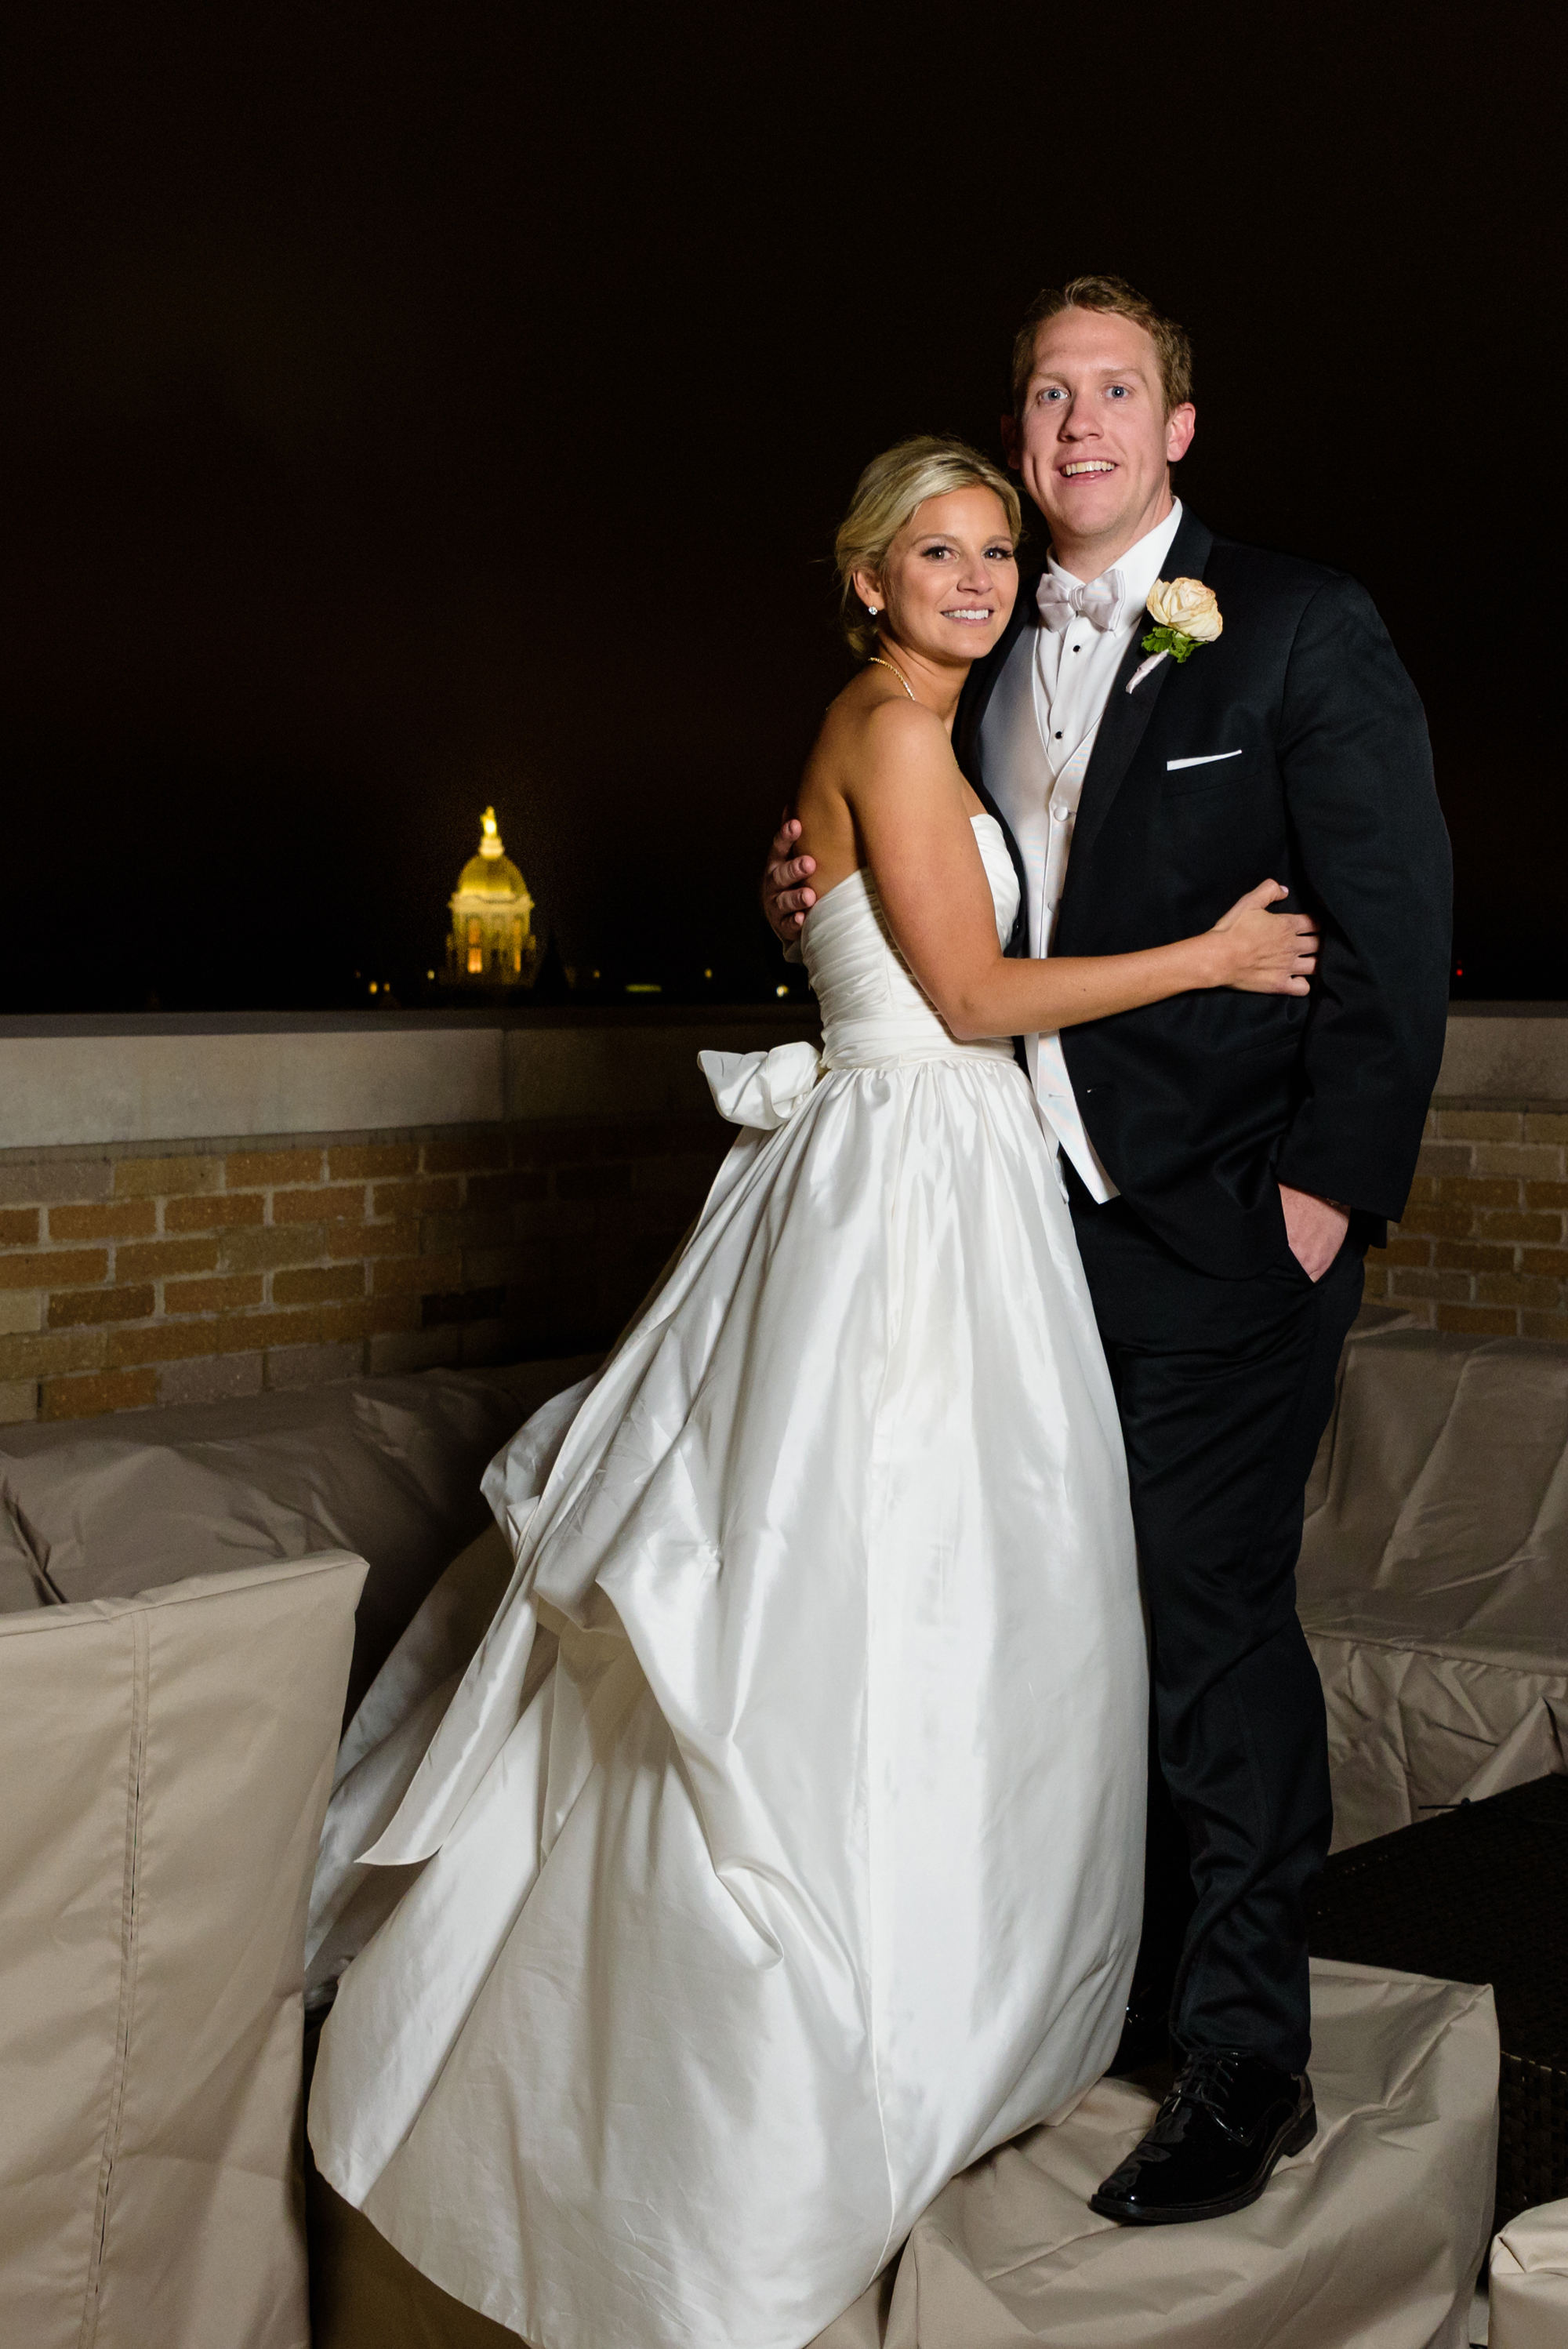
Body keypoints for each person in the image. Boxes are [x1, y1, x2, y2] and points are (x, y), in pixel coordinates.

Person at [308, 437, 1316, 2349]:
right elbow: (966, 995)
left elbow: (888, 912)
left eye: (996, 549)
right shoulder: (889, 717)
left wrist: (818, 888)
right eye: (935, 550)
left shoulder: (925, 722)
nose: (975, 575)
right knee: (848, 1603)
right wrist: (1212, 953)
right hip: (908, 1188)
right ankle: (772, 2093)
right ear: (862, 578)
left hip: (938, 1178)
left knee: (949, 1603)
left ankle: (955, 2011)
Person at [765, 277, 1452, 2227]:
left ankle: (1245, 2056)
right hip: (998, 1216)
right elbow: (914, 859)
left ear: (1178, 428)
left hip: (1227, 1223)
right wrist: (799, 863)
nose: (1074, 423)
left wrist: (1323, 1192)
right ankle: (1096, 1992)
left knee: (1205, 1618)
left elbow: (1395, 929)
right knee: (1048, 1621)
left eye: (1114, 391)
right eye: (1044, 392)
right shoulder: (967, 638)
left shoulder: (1300, 625)